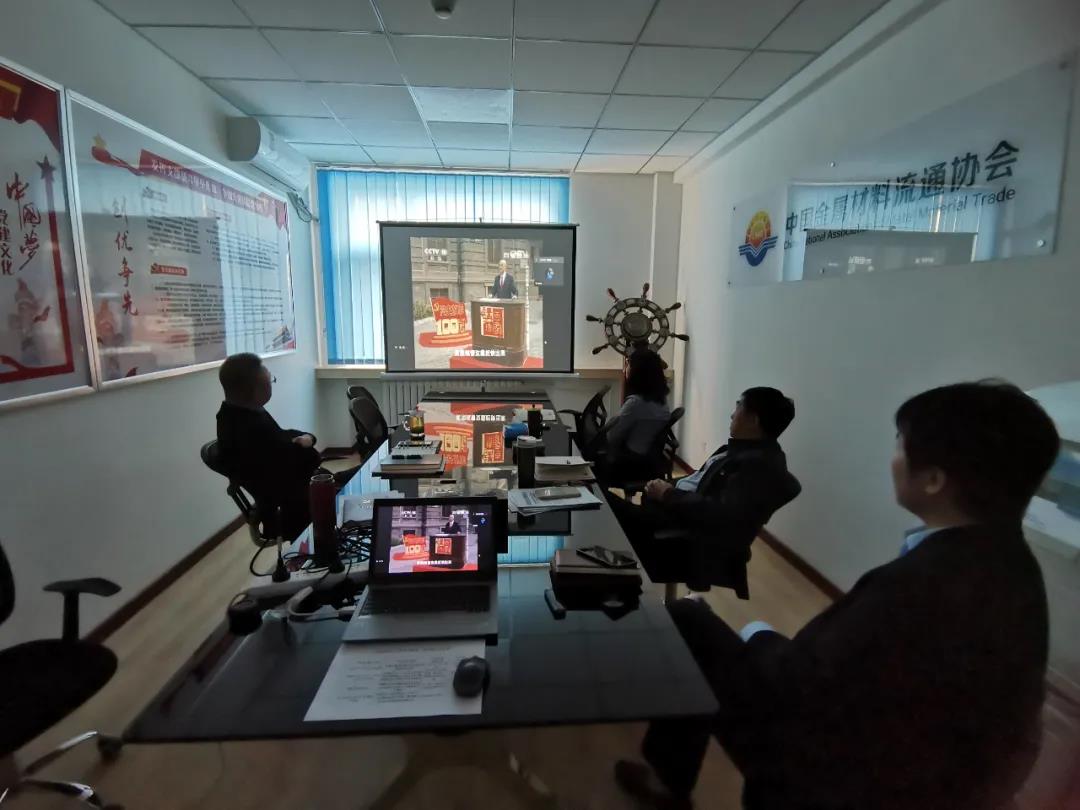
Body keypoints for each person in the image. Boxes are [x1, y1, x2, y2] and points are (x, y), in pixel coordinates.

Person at [616, 380, 1056, 810]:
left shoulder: (917, 585)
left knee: (691, 621)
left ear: (934, 479)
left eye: (900, 445)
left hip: (830, 770)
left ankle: (665, 780)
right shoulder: (1015, 570)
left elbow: (796, 687)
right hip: (929, 772)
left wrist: (761, 638)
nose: (894, 459)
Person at [611, 387, 800, 551]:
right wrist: (664, 486)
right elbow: (699, 482)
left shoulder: (757, 466)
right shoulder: (740, 450)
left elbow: (720, 514)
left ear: (753, 420)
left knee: (603, 508)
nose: (732, 415)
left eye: (738, 407)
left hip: (682, 530)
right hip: (671, 510)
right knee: (601, 501)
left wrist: (667, 493)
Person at [215, 353, 323, 542]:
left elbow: (284, 436)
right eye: (269, 382)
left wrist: (307, 439)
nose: (271, 386)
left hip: (296, 492)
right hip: (294, 508)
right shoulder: (248, 428)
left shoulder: (236, 413)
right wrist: (307, 442)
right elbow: (310, 458)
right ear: (250, 389)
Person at [602, 348, 671, 474]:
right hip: (649, 462)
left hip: (632, 463)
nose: (625, 369)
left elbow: (612, 436)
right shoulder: (661, 400)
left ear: (638, 371)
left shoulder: (636, 403)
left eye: (628, 363)